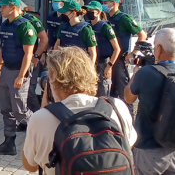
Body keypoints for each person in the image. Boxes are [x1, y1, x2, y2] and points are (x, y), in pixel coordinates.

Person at [21, 46, 136, 174]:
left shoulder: (40, 119)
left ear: (53, 75)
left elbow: (30, 166)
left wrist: (44, 106)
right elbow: (128, 147)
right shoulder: (118, 107)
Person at [124, 28, 175, 175]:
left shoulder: (146, 73)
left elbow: (128, 97)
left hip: (149, 149)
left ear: (158, 48)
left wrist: (135, 74)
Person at [0, 0, 37, 156]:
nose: (0, 8)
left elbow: (28, 54)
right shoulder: (5, 25)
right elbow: (2, 49)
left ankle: (40, 131)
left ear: (13, 8)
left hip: (19, 71)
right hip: (6, 71)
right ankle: (9, 143)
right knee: (6, 109)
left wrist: (21, 76)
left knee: (20, 110)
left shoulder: (25, 27)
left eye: (3, 6)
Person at [101, 0, 147, 102]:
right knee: (109, 91)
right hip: (109, 59)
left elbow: (142, 35)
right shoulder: (106, 18)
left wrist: (134, 53)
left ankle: (128, 117)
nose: (103, 5)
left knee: (123, 93)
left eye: (105, 3)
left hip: (120, 60)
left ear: (114, 3)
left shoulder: (124, 18)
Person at [84, 1, 121, 97]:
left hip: (103, 63)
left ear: (98, 12)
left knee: (103, 95)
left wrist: (109, 66)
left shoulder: (105, 27)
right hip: (90, 63)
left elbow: (117, 49)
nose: (89, 12)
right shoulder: (86, 26)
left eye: (91, 10)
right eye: (88, 10)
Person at [21, 4, 50, 113]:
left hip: (31, 58)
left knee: (29, 91)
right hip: (20, 60)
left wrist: (37, 55)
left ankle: (37, 115)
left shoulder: (32, 20)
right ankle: (25, 119)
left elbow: (44, 39)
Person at [53, 0, 98, 65]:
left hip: (79, 65)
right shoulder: (63, 25)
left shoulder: (86, 29)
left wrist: (89, 70)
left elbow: (93, 53)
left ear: (74, 13)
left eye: (65, 13)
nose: (62, 15)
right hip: (64, 64)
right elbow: (57, 45)